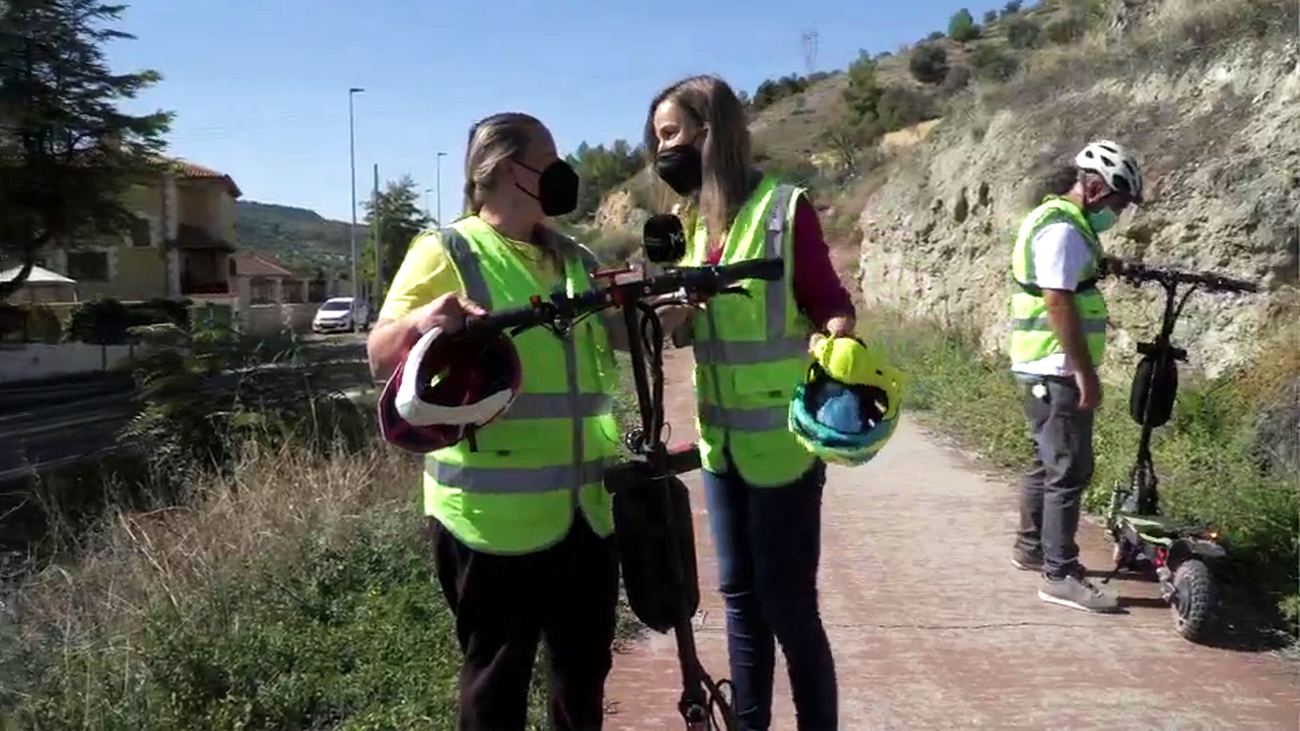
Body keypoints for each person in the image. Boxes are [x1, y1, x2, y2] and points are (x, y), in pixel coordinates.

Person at [366, 111, 636, 731]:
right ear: (506, 169)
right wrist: (419, 322)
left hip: (583, 511)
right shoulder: (447, 250)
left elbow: (618, 332)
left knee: (583, 678)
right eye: (550, 157)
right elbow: (379, 352)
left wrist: (674, 307)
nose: (563, 170)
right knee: (496, 686)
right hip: (489, 518)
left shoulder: (574, 255)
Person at [643, 74, 857, 731]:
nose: (662, 150)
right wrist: (671, 310)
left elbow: (832, 306)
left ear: (711, 133)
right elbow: (669, 330)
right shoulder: (681, 225)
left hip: (785, 446)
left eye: (672, 134)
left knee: (789, 604)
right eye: (656, 139)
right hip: (720, 446)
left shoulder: (785, 209)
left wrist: (837, 356)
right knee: (739, 600)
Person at [1008, 139, 1144, 613]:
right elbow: (1057, 299)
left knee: (1045, 461)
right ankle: (1059, 573)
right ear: (1092, 186)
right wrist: (1085, 373)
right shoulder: (1063, 230)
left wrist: (1107, 266)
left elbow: (1068, 278)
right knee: (1069, 468)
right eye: (1117, 202)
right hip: (1055, 365)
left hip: (1038, 362)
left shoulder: (1061, 221)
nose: (1119, 213)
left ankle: (1031, 548)